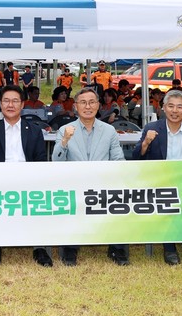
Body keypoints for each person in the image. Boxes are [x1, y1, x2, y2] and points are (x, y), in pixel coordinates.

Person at [132, 89, 182, 270]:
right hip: (160, 182)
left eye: (179, 107)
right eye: (171, 106)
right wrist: (145, 143)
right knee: (165, 198)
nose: (175, 111)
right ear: (163, 108)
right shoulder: (152, 129)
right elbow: (136, 158)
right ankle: (169, 248)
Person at [0, 85, 53, 267]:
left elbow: (40, 160)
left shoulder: (33, 130)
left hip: (28, 179)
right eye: (6, 101)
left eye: (15, 101)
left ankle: (39, 247)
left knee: (39, 197)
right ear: (0, 104)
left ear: (22, 105)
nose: (10, 105)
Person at [53, 88, 128, 266]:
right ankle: (70, 249)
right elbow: (56, 161)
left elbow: (118, 159)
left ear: (98, 105)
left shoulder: (109, 130)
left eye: (92, 102)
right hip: (74, 185)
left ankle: (117, 248)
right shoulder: (65, 130)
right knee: (68, 200)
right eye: (83, 103)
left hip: (103, 183)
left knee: (119, 199)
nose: (88, 106)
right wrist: (64, 141)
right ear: (75, 106)